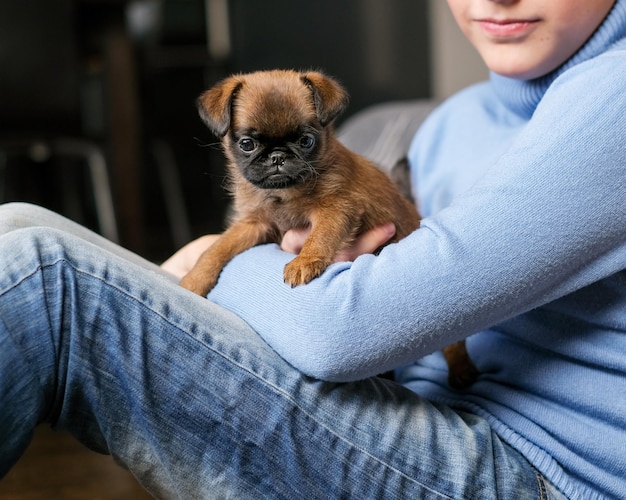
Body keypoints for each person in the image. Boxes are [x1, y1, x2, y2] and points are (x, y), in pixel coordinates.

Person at [1, 0, 625, 497]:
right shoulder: (450, 123)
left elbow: (340, 332)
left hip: (536, 470)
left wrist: (208, 259)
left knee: (44, 280)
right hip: (413, 401)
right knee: (18, 222)